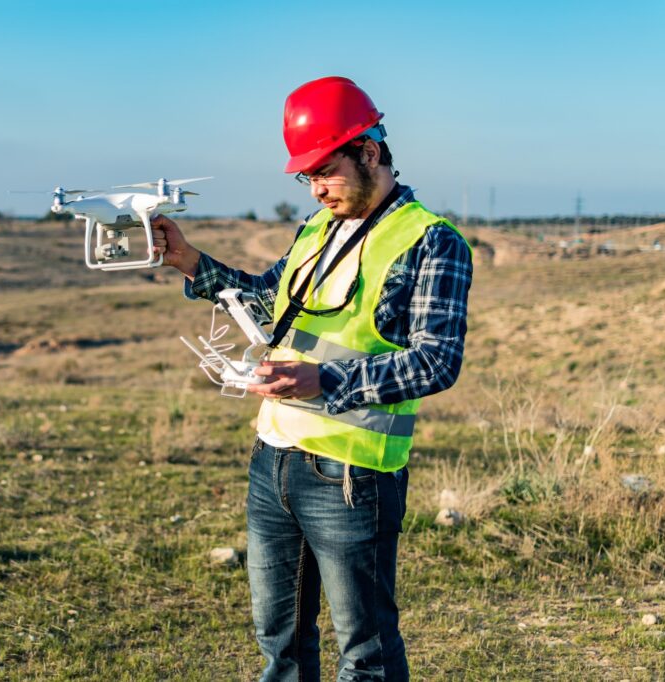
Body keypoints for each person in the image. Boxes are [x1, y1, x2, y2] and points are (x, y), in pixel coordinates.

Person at [151, 77, 473, 681]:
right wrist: (189, 261)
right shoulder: (317, 231)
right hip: (273, 462)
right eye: (308, 177)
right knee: (281, 647)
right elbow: (270, 303)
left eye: (326, 170)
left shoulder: (432, 242)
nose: (317, 188)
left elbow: (437, 361)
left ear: (370, 153)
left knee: (366, 655)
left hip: (353, 477)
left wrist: (321, 380)